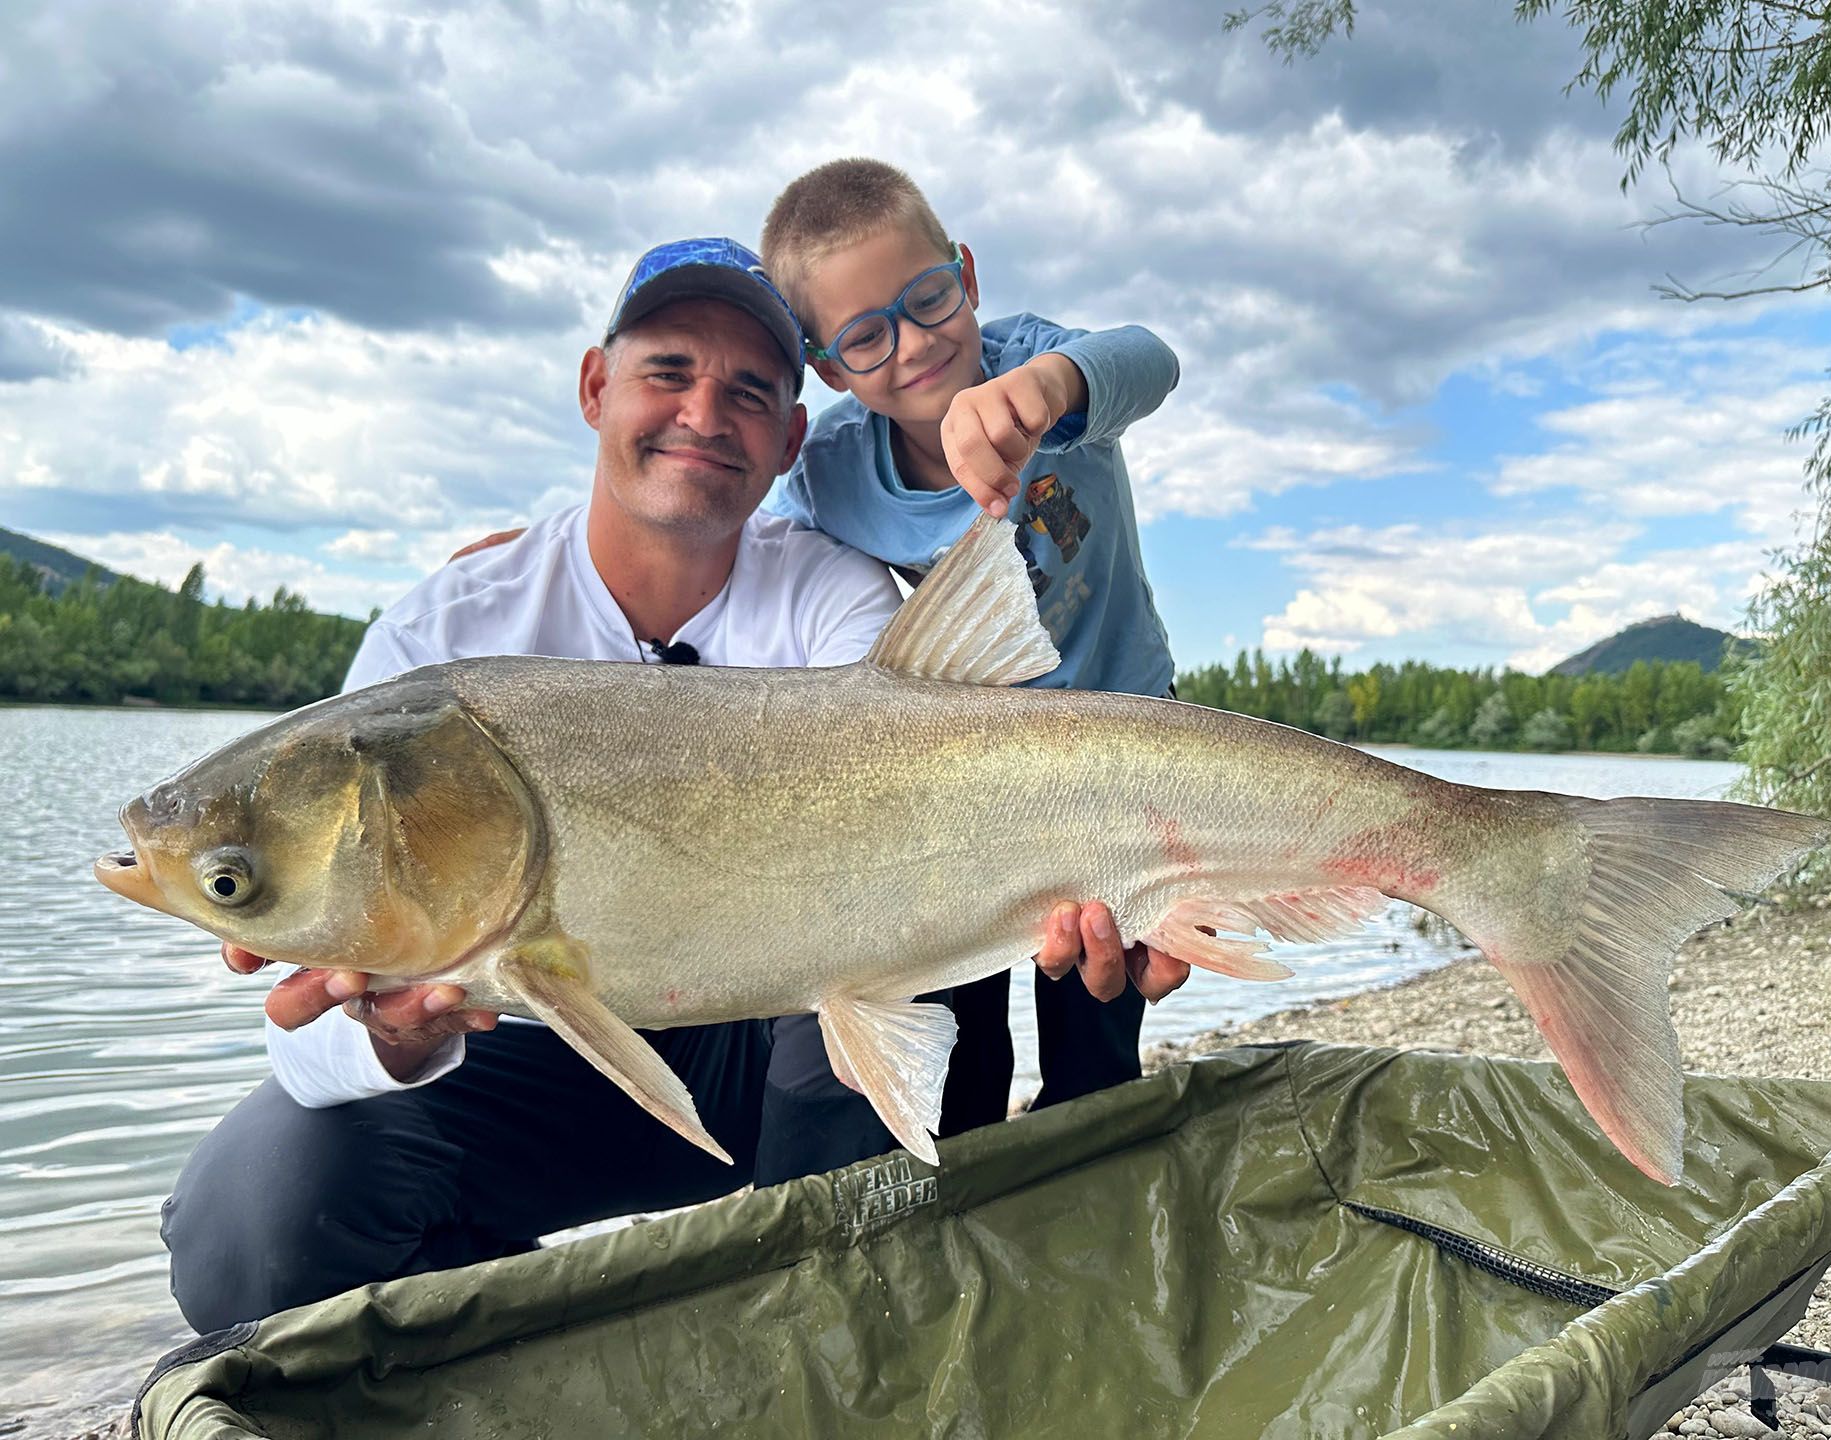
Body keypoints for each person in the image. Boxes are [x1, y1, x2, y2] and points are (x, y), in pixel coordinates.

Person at [162, 238, 1181, 1336]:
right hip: (528, 1058)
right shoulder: (439, 634)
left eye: (749, 389)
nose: (705, 410)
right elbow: (303, 1048)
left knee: (931, 967)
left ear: (792, 437)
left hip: (777, 1055)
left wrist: (1122, 875)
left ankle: (844, 1318)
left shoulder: (832, 599)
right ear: (597, 387)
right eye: (667, 372)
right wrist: (399, 1035)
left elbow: (959, 796)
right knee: (248, 1219)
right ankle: (531, 1349)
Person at [758, 158, 1183, 1129]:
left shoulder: (1032, 359)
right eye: (867, 335)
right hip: (976, 779)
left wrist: (1047, 384)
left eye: (929, 298)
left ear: (969, 277)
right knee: (966, 1013)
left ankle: (1096, 1182)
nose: (913, 344)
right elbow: (748, 554)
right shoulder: (830, 475)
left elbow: (1149, 357)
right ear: (829, 371)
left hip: (1128, 735)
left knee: (1098, 1015)